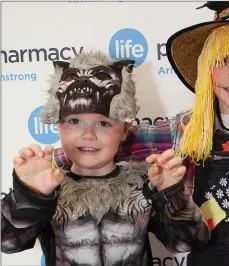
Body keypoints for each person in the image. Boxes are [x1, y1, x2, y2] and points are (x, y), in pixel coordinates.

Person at [25, 2, 229, 265]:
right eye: (223, 60)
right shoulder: (185, 130)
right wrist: (51, 165)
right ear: (207, 68)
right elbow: (109, 142)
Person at [1, 51, 209, 266]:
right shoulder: (50, 188)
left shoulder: (143, 184)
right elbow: (7, 243)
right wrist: (29, 196)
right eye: (74, 121)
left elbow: (187, 243)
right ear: (58, 126)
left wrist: (171, 194)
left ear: (125, 130)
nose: (88, 134)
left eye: (103, 123)